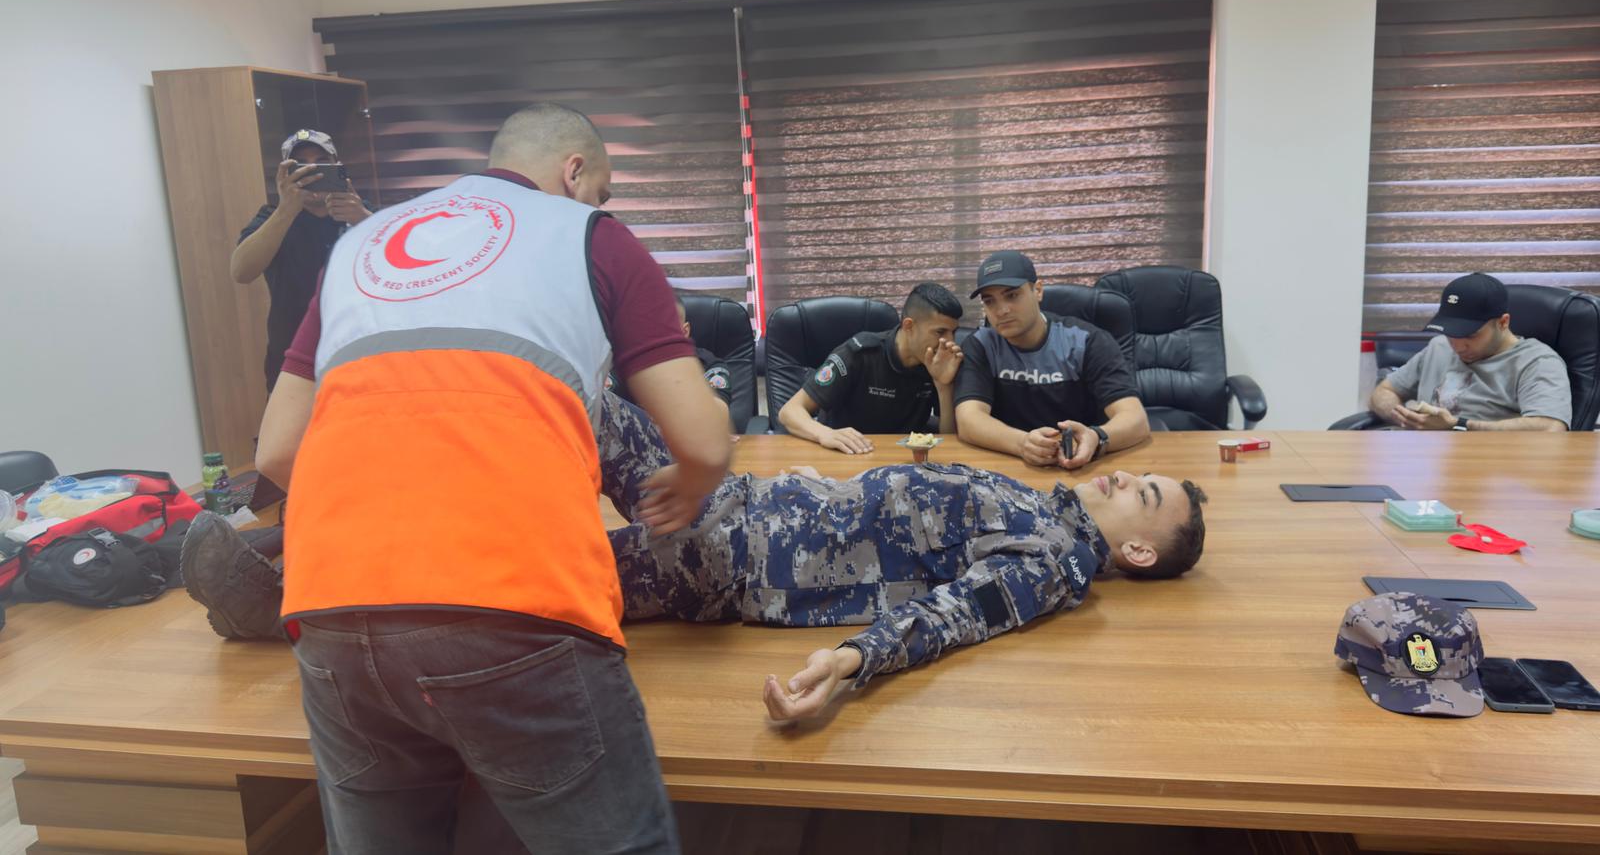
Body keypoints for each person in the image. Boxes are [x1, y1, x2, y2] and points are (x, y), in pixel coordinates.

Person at [270, 103, 731, 855]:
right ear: (574, 172)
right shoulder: (589, 235)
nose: (601, 204)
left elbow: (277, 453)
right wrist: (689, 480)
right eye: (602, 189)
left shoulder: (360, 243)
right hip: (512, 597)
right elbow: (705, 440)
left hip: (330, 604)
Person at [186, 390, 1208, 728]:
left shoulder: (1051, 563)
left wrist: (850, 664)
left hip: (727, 560)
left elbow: (953, 618)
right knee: (566, 410)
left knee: (507, 568)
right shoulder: (1044, 502)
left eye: (1147, 496)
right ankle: (301, 539)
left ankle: (280, 591)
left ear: (1134, 550)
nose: (1131, 477)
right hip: (740, 512)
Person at [954, 250, 1150, 469]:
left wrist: (1096, 437)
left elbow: (1135, 419)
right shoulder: (981, 344)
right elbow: (969, 420)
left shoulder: (1086, 341)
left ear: (1037, 290)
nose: (1001, 310)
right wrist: (1022, 444)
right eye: (990, 301)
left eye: (1012, 295)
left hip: (1082, 466)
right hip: (1011, 465)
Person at [230, 130, 372, 390]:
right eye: (300, 166)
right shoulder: (273, 218)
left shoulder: (363, 214)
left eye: (321, 163)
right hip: (293, 365)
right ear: (285, 174)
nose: (311, 171)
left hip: (359, 357)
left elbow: (407, 272)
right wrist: (286, 210)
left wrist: (362, 219)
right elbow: (241, 271)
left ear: (337, 167)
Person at [777, 283, 966, 454]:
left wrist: (944, 387)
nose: (950, 341)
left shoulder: (939, 362)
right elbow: (790, 411)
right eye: (940, 332)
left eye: (953, 332)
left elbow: (949, 441)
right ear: (909, 326)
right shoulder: (860, 353)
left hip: (903, 460)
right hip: (847, 455)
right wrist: (825, 434)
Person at [1371, 273, 1570, 431]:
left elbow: (1550, 427)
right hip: (1425, 457)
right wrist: (1405, 418)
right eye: (1451, 333)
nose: (1458, 346)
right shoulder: (1439, 347)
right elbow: (1384, 391)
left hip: (1487, 462)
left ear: (1503, 322)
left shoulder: (1537, 362)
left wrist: (1460, 425)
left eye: (1470, 335)